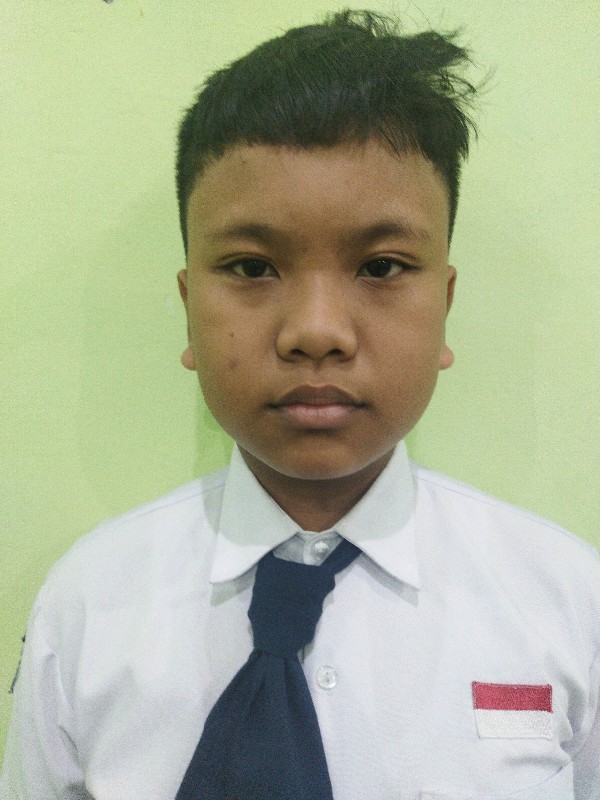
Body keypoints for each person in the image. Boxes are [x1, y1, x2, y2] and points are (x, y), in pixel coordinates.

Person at [1, 9, 598, 800]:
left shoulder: (567, 602)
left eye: (382, 267)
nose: (317, 331)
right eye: (252, 268)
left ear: (445, 306)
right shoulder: (87, 605)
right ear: (188, 307)